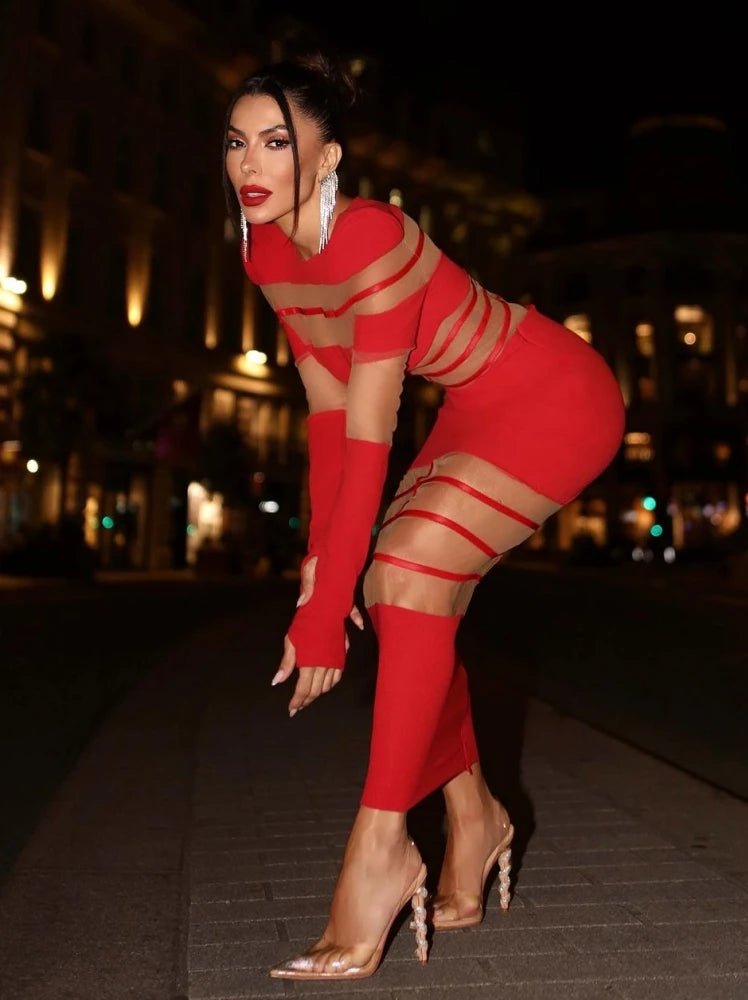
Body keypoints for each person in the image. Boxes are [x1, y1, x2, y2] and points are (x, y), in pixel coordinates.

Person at [222, 50, 626, 981]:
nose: (251, 165)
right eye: (237, 142)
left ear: (327, 160)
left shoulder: (372, 237)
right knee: (388, 582)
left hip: (554, 395)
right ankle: (475, 815)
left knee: (406, 574)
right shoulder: (265, 250)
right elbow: (326, 411)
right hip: (477, 411)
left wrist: (323, 624)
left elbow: (372, 433)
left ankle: (380, 851)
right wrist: (320, 567)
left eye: (277, 143)